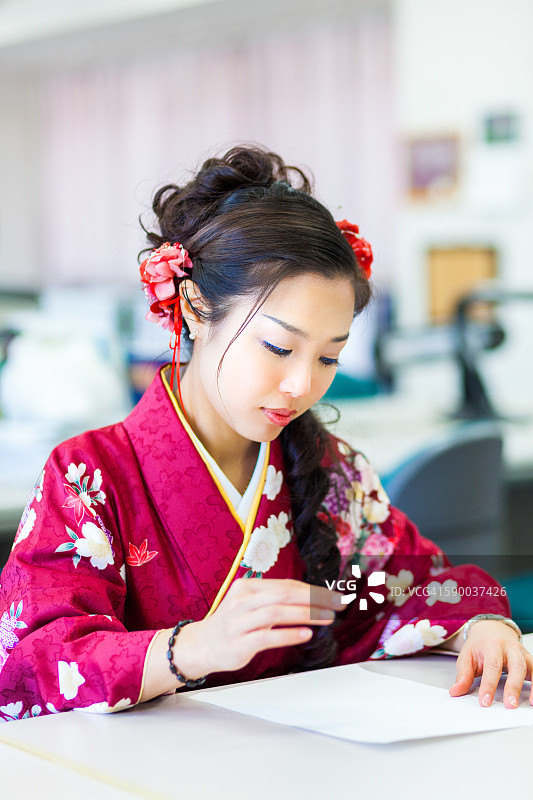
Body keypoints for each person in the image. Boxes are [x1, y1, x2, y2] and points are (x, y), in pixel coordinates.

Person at [0, 145, 530, 725]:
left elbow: (398, 589)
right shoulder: (90, 475)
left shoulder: (331, 472)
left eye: (329, 358)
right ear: (196, 308)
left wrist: (481, 625)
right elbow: (34, 661)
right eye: (278, 347)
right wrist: (191, 648)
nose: (301, 385)